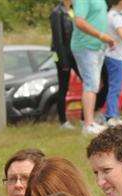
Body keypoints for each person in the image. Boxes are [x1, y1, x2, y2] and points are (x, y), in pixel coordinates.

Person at [70, 0, 116, 135]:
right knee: (91, 84)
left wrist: (106, 39)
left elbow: (98, 20)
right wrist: (101, 35)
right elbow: (79, 22)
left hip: (98, 47)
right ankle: (88, 124)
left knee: (97, 84)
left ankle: (92, 120)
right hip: (86, 46)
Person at [102, 0, 122, 126]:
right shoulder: (117, 17)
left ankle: (112, 114)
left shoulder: (108, 15)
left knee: (113, 87)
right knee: (115, 87)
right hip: (117, 56)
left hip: (111, 54)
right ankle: (111, 116)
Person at [51, 0, 80, 129]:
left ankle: (87, 117)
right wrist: (63, 60)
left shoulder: (73, 10)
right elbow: (57, 39)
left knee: (89, 81)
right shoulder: (57, 12)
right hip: (60, 53)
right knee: (63, 86)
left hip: (73, 52)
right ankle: (63, 121)